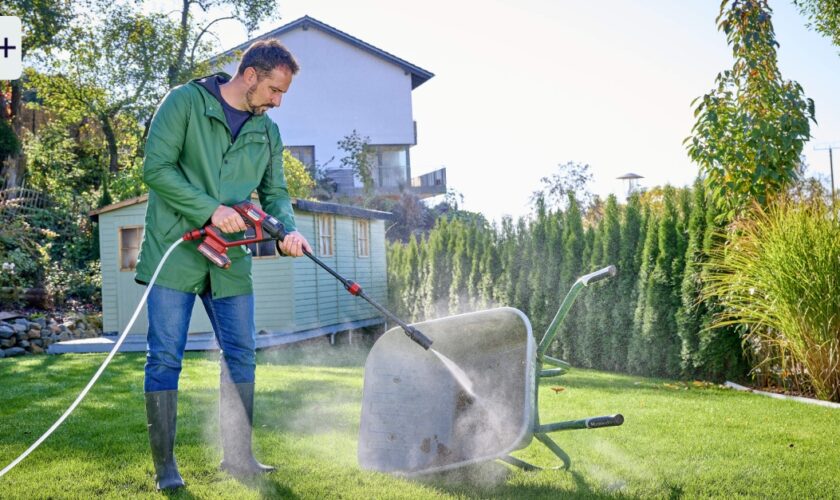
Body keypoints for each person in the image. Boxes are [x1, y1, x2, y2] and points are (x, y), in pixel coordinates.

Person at [134, 39, 312, 490]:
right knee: (165, 358)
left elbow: (275, 193)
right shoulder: (184, 103)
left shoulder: (266, 131)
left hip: (230, 257)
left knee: (241, 355)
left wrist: (286, 230)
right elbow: (156, 169)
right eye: (274, 90)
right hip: (176, 248)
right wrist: (210, 209)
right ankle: (165, 468)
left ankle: (239, 457)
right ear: (250, 76)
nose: (277, 101)